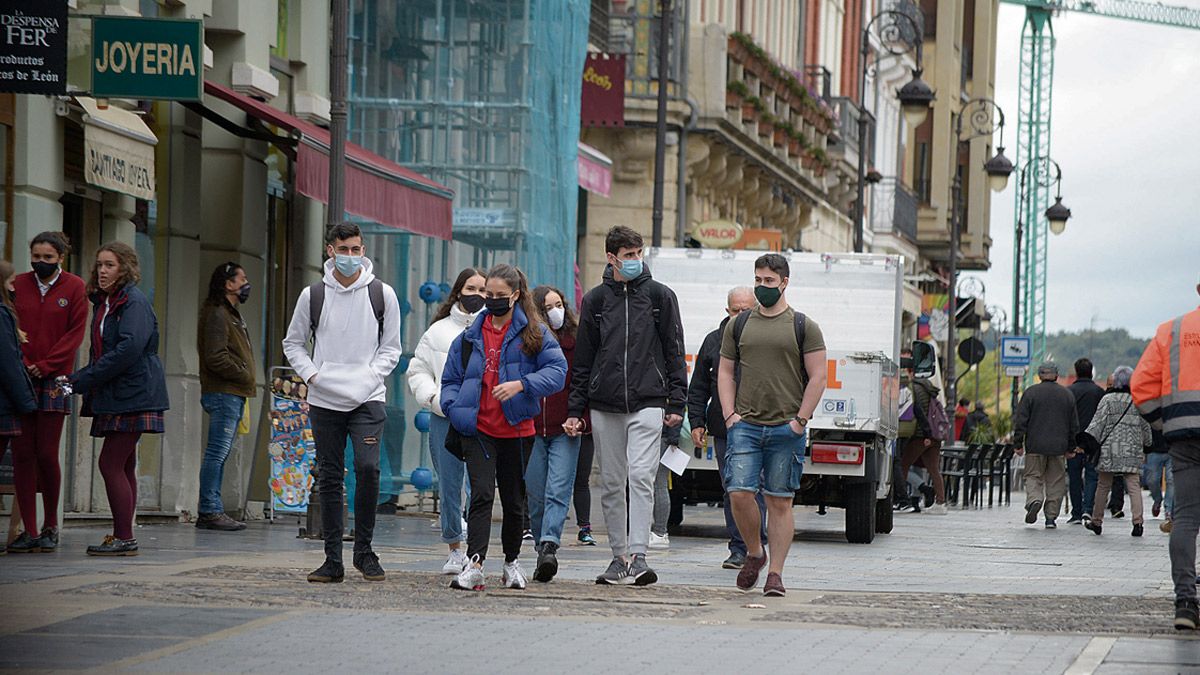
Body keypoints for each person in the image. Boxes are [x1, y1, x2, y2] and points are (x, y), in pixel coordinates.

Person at [565, 226, 687, 586]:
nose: (635, 260)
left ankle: (639, 555)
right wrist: (575, 410)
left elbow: (674, 350)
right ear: (611, 257)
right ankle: (618, 556)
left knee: (643, 477)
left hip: (649, 399)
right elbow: (583, 360)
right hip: (605, 403)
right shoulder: (596, 301)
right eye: (628, 254)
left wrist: (676, 400)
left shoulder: (660, 297)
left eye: (638, 253)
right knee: (613, 481)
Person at [282, 223, 402, 583]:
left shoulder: (383, 294)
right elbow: (293, 343)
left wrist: (369, 378)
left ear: (363, 251)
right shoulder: (313, 295)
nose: (350, 256)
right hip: (325, 399)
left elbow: (391, 348)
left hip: (367, 399)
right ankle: (332, 558)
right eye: (344, 249)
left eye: (356, 249)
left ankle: (364, 551)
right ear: (330, 250)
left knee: (368, 469)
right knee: (330, 475)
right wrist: (314, 376)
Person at [441, 265, 566, 592]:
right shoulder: (469, 335)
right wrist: (456, 410)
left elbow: (557, 372)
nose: (492, 301)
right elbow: (451, 379)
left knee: (513, 501)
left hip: (518, 430)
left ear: (515, 295)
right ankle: (475, 563)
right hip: (478, 428)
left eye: (499, 296)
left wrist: (522, 385)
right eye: (488, 295)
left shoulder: (534, 333)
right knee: (481, 495)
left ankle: (511, 561)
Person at [717, 253, 827, 596]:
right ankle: (754, 551)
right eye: (758, 280)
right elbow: (724, 371)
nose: (762, 286)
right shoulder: (739, 324)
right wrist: (730, 415)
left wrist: (800, 421)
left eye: (769, 281)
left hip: (785, 428)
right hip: (745, 425)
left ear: (784, 283)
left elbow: (818, 376)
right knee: (738, 493)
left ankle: (775, 574)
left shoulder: (803, 326)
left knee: (779, 501)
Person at [61, 242, 169, 556]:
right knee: (124, 463)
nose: (102, 271)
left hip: (133, 392)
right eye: (99, 265)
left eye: (110, 265)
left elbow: (128, 349)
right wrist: (86, 378)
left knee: (109, 463)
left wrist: (82, 379)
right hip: (119, 391)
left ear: (125, 268)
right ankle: (124, 534)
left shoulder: (132, 301)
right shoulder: (106, 302)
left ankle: (124, 536)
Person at [8, 232, 87, 553]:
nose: (40, 263)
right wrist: (25, 362)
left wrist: (48, 363)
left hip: (55, 378)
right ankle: (28, 529)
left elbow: (75, 332)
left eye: (47, 258)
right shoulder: (18, 286)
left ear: (61, 258)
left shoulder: (75, 287)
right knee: (23, 455)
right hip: (21, 375)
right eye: (36, 257)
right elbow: (10, 326)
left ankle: (51, 524)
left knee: (46, 453)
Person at [1130, 279, 1200, 630]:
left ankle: (1186, 602)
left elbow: (1141, 387)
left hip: (1184, 437)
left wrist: (1165, 421)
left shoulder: (1171, 331)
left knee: (1186, 518)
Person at [407, 267, 486, 574]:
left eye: (482, 290)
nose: (476, 295)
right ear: (457, 292)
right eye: (470, 288)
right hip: (445, 418)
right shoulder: (437, 330)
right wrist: (433, 399)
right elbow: (418, 370)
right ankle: (454, 547)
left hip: (482, 419)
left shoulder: (494, 329)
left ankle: (475, 549)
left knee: (478, 485)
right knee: (450, 485)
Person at [687, 286, 766, 568]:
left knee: (756, 487)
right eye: (736, 310)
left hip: (761, 424)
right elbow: (697, 388)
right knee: (733, 488)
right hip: (725, 428)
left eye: (747, 309)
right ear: (727, 311)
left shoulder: (766, 340)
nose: (741, 315)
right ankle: (739, 548)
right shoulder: (713, 342)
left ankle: (757, 543)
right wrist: (696, 422)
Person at [526, 284, 584, 583]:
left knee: (558, 490)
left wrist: (579, 419)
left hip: (565, 429)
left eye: (559, 304)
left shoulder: (575, 343)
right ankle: (540, 547)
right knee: (535, 495)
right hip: (531, 428)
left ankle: (550, 543)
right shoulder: (527, 342)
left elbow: (583, 383)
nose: (556, 312)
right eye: (548, 307)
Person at [195, 262, 256, 531]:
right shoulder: (218, 314)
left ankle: (211, 508)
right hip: (224, 392)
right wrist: (243, 374)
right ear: (228, 284)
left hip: (231, 392)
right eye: (241, 279)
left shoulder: (230, 314)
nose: (245, 283)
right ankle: (209, 510)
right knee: (217, 452)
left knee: (220, 452)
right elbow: (215, 356)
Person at [1084, 366, 1152, 536]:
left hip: (1109, 451)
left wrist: (1086, 442)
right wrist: (1148, 443)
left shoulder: (1107, 400)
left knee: (1103, 485)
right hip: (1132, 450)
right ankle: (1138, 523)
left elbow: (1097, 424)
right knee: (1134, 486)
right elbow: (1145, 426)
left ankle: (1097, 521)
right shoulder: (1137, 400)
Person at [1012, 361, 1079, 529]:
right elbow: (1073, 425)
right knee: (1056, 481)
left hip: (1035, 445)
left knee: (1033, 476)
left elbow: (1021, 420)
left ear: (1040, 375)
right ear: (1056, 375)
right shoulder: (1067, 395)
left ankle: (1035, 499)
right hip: (1058, 447)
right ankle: (1051, 517)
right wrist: (1071, 447)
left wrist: (1018, 443)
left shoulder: (1030, 393)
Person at [0, 261, 37, 550]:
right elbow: (9, 363)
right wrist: (27, 403)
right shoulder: (2, 315)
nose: (15, 287)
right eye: (11, 282)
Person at [902, 361, 949, 515]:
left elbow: (917, 412)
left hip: (921, 435)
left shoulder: (914, 388)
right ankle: (941, 502)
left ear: (910, 372)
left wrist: (925, 434)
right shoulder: (928, 388)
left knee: (902, 465)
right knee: (934, 469)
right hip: (935, 434)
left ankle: (900, 498)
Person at [1066, 358, 1105, 525]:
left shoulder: (1069, 391)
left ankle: (1076, 512)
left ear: (1076, 371)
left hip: (1073, 440)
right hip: (1093, 441)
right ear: (1091, 371)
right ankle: (1088, 510)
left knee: (1074, 477)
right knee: (1092, 476)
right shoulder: (1099, 392)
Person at [1144, 428, 1173, 532]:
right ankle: (1157, 500)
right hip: (1154, 448)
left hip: (1173, 448)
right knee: (1152, 480)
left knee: (1171, 480)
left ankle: (1168, 510)